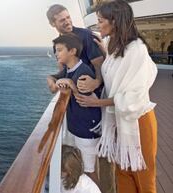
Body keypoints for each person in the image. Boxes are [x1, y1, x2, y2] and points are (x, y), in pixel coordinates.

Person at [76, 1, 158, 193]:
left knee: (144, 180)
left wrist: (97, 102)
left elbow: (132, 97)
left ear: (115, 22)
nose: (97, 25)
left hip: (139, 121)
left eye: (101, 20)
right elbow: (113, 77)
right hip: (121, 122)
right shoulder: (113, 49)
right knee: (123, 175)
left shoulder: (137, 49)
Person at [47, 33, 102, 185]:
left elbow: (84, 101)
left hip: (87, 129)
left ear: (72, 51)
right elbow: (53, 77)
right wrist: (52, 81)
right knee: (81, 168)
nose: (56, 54)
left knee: (89, 171)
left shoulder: (83, 72)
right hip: (77, 126)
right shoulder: (69, 69)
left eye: (59, 50)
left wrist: (71, 84)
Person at [47, 4, 104, 93]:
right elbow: (64, 70)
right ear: (52, 24)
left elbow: (99, 63)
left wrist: (96, 82)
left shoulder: (86, 35)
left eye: (68, 17)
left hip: (93, 93)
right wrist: (51, 78)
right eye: (62, 20)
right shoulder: (57, 45)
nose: (67, 21)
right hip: (74, 94)